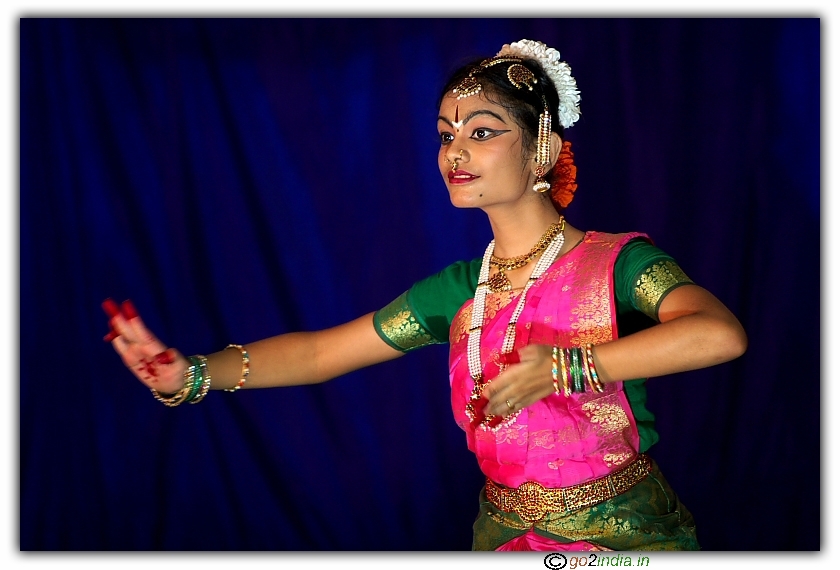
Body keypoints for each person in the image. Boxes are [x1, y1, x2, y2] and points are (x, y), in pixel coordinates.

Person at [103, 39, 747, 551]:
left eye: (483, 131)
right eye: (446, 134)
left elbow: (719, 333)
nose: (455, 152)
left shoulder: (617, 265)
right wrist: (192, 373)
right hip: (503, 537)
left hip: (624, 535)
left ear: (543, 146)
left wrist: (570, 365)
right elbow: (325, 354)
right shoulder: (460, 292)